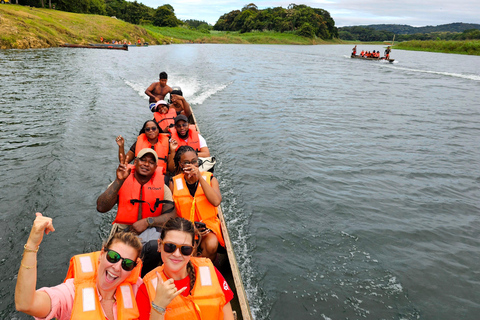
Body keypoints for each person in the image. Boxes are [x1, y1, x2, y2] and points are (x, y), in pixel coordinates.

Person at [15, 212, 143, 320]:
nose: (116, 267)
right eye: (113, 257)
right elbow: (26, 304)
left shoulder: (137, 288)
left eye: (127, 264)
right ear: (102, 253)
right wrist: (32, 244)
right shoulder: (71, 293)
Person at [97, 148, 176, 276]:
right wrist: (119, 181)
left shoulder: (163, 188)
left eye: (151, 162)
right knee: (117, 256)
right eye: (143, 160)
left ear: (156, 167)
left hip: (150, 234)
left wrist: (147, 222)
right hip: (124, 233)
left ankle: (143, 278)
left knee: (155, 247)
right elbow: (101, 207)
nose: (146, 164)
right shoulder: (121, 181)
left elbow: (172, 216)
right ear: (136, 162)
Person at [136, 217, 234, 320]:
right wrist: (158, 306)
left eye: (185, 249)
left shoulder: (209, 270)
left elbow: (227, 311)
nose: (177, 254)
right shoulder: (146, 289)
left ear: (192, 250)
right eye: (170, 246)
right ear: (159, 245)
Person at [169, 146, 224, 261]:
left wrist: (199, 177)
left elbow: (216, 201)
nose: (192, 165)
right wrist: (189, 227)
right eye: (186, 163)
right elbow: (173, 214)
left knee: (212, 243)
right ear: (180, 164)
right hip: (185, 228)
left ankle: (207, 266)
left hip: (207, 228)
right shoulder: (173, 183)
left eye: (194, 161)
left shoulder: (210, 179)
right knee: (188, 250)